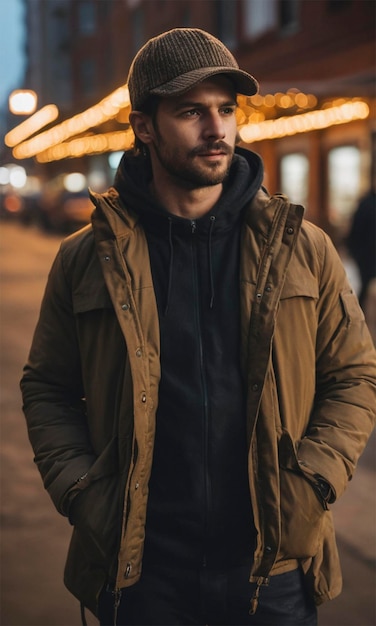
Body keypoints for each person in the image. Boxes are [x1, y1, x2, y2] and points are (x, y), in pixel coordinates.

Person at [20, 28, 376, 626]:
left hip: (273, 568)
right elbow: (48, 387)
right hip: (141, 569)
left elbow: (354, 375)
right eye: (191, 111)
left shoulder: (302, 248)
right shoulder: (86, 258)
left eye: (226, 110)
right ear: (145, 126)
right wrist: (83, 491)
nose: (218, 131)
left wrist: (312, 482)